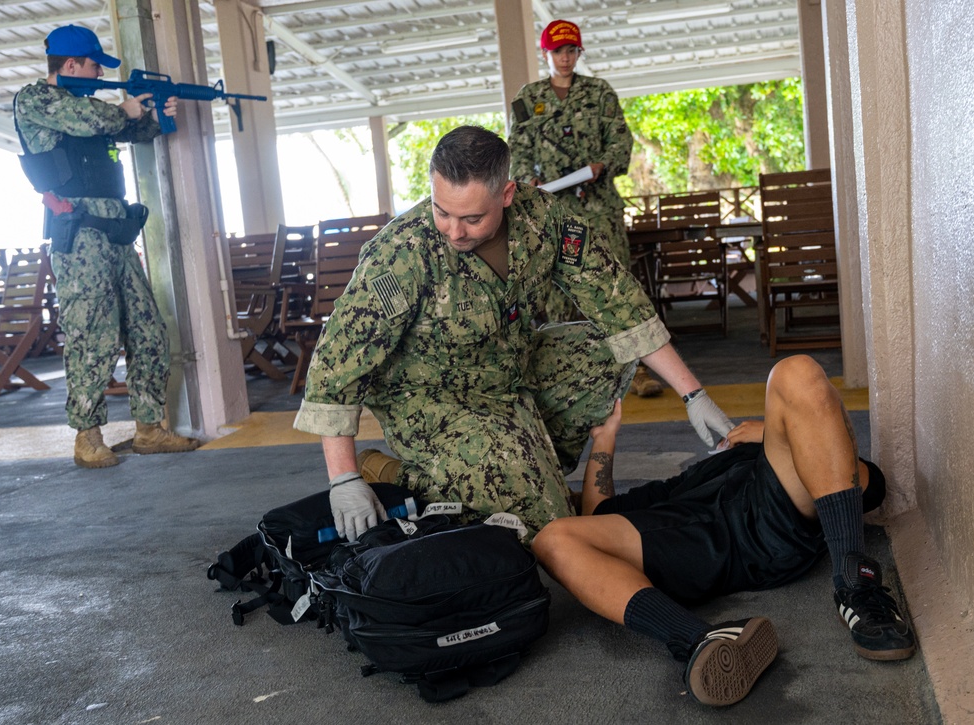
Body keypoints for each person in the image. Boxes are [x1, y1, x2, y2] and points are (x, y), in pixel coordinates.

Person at [294, 125, 733, 543]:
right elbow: (337, 364)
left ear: (506, 194)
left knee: (606, 352)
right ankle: (399, 473)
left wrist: (693, 395)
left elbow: (617, 301)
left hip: (511, 373)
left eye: (470, 218)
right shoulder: (400, 255)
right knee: (548, 530)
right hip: (432, 400)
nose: (453, 231)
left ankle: (529, 472)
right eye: (441, 210)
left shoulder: (542, 217)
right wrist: (344, 478)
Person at [531, 354, 916, 707]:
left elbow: (869, 484)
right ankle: (700, 638)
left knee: (795, 371)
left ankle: (856, 587)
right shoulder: (673, 486)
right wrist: (606, 437)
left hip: (769, 518)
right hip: (686, 544)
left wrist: (771, 434)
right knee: (552, 539)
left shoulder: (765, 452)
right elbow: (598, 511)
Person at [14, 25, 200, 468]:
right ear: (71, 64)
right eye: (95, 64)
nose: (99, 73)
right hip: (79, 239)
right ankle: (87, 436)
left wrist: (157, 114)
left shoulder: (87, 108)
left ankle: (150, 428)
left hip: (114, 235)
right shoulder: (37, 100)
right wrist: (128, 108)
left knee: (148, 330)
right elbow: (97, 120)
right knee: (91, 336)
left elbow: (131, 131)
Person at [508, 19, 662, 397]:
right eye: (558, 51)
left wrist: (602, 166)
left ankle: (636, 371)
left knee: (616, 284)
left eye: (571, 50)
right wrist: (527, 178)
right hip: (554, 211)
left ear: (579, 53)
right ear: (546, 54)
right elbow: (518, 149)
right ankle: (573, 376)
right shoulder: (528, 98)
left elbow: (620, 141)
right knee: (559, 289)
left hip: (599, 207)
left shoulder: (600, 92)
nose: (565, 58)